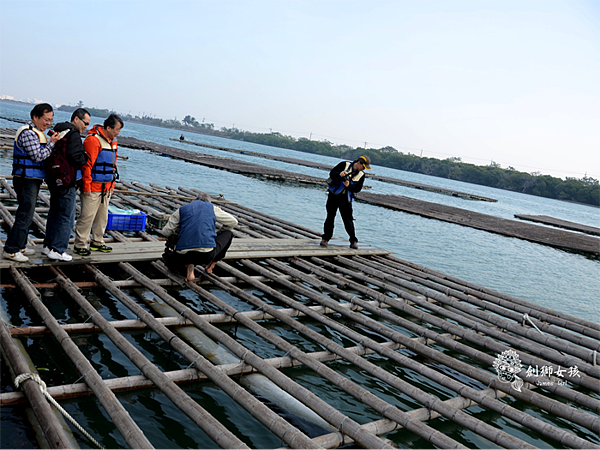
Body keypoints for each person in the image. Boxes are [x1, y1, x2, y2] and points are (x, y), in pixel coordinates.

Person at [3, 103, 61, 262]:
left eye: (50, 120)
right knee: (25, 213)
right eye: (46, 119)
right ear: (35, 117)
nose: (48, 123)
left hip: (31, 179)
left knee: (28, 213)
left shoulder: (36, 132)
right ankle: (11, 249)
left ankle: (20, 245)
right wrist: (52, 143)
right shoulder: (28, 133)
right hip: (25, 179)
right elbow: (38, 156)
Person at [41, 108, 91, 261]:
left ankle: (48, 246)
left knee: (55, 213)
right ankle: (58, 249)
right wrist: (85, 157)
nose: (86, 127)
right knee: (66, 216)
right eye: (85, 123)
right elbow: (75, 156)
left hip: (54, 178)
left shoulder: (59, 129)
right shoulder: (74, 134)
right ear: (76, 119)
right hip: (67, 180)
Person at [73, 113, 123, 256]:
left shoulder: (113, 142)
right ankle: (80, 244)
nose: (118, 133)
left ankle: (97, 242)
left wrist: (112, 185)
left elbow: (113, 165)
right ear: (108, 127)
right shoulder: (93, 140)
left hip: (106, 187)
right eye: (116, 130)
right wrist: (86, 185)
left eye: (119, 130)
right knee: (87, 216)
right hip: (93, 186)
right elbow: (87, 165)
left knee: (102, 217)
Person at [161, 193, 238, 282]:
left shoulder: (182, 209)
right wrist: (219, 232)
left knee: (173, 259)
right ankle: (210, 267)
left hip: (182, 255)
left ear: (195, 200)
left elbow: (165, 232)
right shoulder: (212, 208)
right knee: (228, 233)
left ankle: (189, 266)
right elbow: (233, 222)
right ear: (209, 202)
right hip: (206, 256)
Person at [320, 155, 371, 249]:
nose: (364, 169)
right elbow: (332, 173)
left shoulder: (361, 175)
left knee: (348, 220)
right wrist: (339, 174)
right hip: (333, 195)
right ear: (359, 163)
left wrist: (349, 185)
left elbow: (357, 188)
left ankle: (353, 240)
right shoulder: (344, 164)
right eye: (363, 166)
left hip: (346, 199)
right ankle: (325, 238)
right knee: (330, 217)